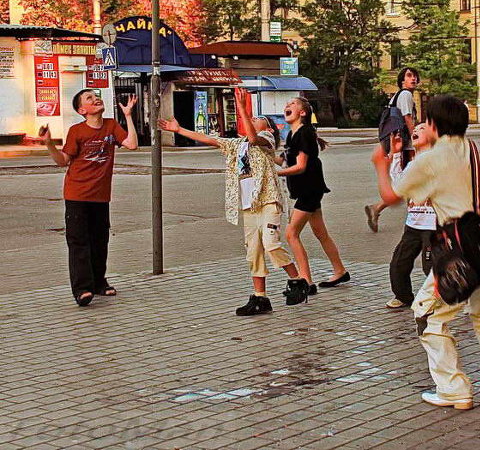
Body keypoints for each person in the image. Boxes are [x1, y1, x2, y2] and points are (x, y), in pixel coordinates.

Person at [371, 95, 480, 410]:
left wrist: (381, 165)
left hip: (463, 252)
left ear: (434, 125)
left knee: (427, 313)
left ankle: (453, 389)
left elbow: (390, 195)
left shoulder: (431, 159)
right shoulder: (475, 149)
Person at [159, 88, 309, 312]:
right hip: (249, 204)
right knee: (254, 250)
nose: (253, 119)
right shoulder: (237, 145)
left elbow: (253, 137)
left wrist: (241, 107)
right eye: (252, 117)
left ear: (268, 128)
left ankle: (297, 281)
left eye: (258, 118)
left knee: (270, 243)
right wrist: (179, 129)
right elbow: (210, 139)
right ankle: (260, 297)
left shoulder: (266, 140)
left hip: (268, 200)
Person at [39, 89, 138, 307]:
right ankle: (82, 289)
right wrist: (48, 144)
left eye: (96, 96)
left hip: (101, 196)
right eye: (89, 98)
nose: (96, 99)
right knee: (79, 242)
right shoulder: (77, 131)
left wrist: (128, 116)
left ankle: (99, 282)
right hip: (77, 194)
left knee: (100, 241)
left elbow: (132, 144)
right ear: (82, 110)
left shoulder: (111, 125)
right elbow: (63, 161)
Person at [279, 97, 350, 289]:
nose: (288, 106)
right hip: (308, 190)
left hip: (309, 190)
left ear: (302, 113)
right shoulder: (292, 135)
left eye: (292, 104)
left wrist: (275, 172)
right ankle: (340, 271)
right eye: (287, 104)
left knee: (291, 233)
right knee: (321, 233)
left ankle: (305, 280)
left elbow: (300, 167)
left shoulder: (305, 133)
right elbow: (285, 161)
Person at [386, 122, 437, 309]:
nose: (415, 131)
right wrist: (397, 152)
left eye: (422, 129)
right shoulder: (414, 162)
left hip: (434, 224)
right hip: (414, 223)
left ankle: (446, 298)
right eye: (414, 129)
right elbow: (399, 184)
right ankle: (403, 296)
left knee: (430, 266)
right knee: (399, 262)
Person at [365, 66, 420, 232]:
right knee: (407, 182)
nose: (414, 79)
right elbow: (407, 118)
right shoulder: (405, 95)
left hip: (400, 146)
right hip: (405, 147)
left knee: (408, 181)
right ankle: (412, 216)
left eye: (416, 76)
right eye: (409, 76)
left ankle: (377, 208)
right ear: (402, 81)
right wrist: (416, 139)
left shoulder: (397, 96)